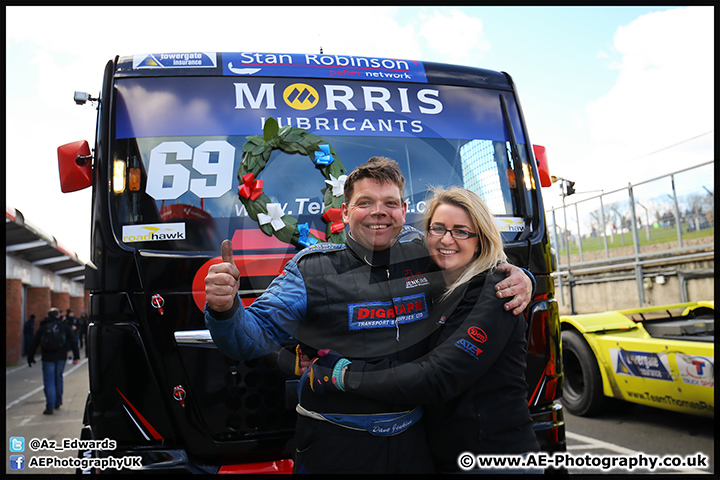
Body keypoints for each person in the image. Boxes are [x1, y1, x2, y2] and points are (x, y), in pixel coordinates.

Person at [205, 157, 533, 474]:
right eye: (365, 202)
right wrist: (225, 308)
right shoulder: (310, 271)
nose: (379, 212)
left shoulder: (427, 255)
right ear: (345, 212)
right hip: (336, 448)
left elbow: (474, 263)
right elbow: (247, 341)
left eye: (390, 203)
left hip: (415, 447)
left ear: (404, 211)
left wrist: (520, 277)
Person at [307, 187, 541, 473]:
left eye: (461, 231)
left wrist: (344, 374)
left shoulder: (495, 293)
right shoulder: (437, 283)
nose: (446, 239)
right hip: (447, 455)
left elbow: (437, 377)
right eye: (437, 228)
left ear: (480, 240)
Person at [27, 307, 80, 415]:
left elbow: (34, 343)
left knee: (49, 381)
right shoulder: (64, 326)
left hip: (47, 357)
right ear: (58, 316)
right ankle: (58, 401)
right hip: (61, 356)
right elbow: (73, 340)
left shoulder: (43, 327)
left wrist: (30, 357)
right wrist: (76, 356)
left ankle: (50, 406)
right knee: (58, 378)